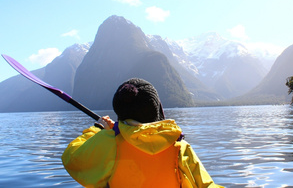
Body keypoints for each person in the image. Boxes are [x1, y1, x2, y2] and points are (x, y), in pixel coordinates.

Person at [62, 78, 223, 188]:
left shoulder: (108, 142)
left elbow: (71, 157)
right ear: (155, 111)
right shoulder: (179, 148)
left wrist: (97, 129)